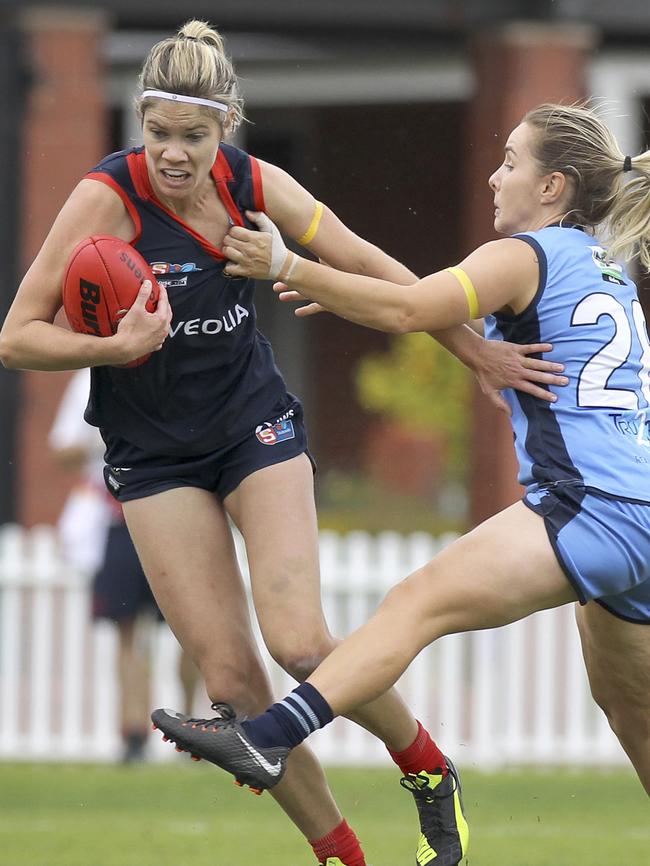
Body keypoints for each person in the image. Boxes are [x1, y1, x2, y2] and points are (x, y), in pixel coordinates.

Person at [0, 18, 567, 865]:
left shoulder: (253, 185)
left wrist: (473, 347)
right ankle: (343, 855)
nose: (173, 154)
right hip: (151, 457)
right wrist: (111, 350)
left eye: (192, 135)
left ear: (224, 128)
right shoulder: (104, 200)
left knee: (300, 641)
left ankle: (424, 765)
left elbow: (373, 265)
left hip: (248, 426)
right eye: (157, 133)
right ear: (140, 124)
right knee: (231, 686)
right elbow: (16, 335)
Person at [149, 101, 650, 839]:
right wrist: (336, 283)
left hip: (587, 506)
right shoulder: (604, 271)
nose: (493, 174)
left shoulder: (525, 254)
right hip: (636, 514)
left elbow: (411, 310)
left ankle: (271, 737)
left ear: (554, 187)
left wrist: (289, 265)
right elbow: (413, 298)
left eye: (512, 161)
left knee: (414, 602)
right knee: (630, 711)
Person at [50, 368, 199, 763]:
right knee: (127, 630)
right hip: (119, 516)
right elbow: (63, 448)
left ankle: (192, 726)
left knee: (193, 628)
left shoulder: (181, 367)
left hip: (177, 510)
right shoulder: (90, 380)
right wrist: (106, 440)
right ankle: (134, 730)